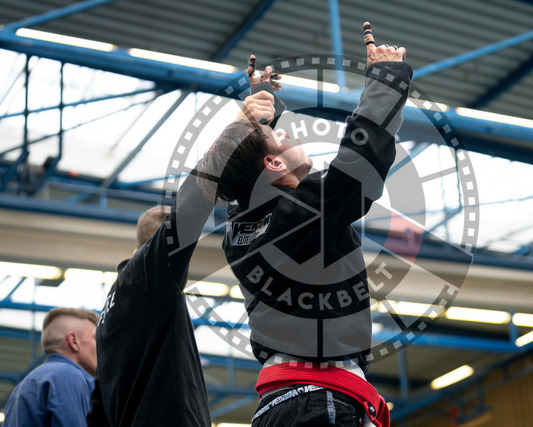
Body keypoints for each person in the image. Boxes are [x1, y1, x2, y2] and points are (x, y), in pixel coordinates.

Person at [197, 21, 411, 427]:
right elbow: (358, 167)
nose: (291, 136)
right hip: (318, 402)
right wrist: (385, 80)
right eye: (280, 137)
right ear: (273, 163)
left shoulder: (240, 232)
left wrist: (261, 118)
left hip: (285, 404)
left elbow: (247, 182)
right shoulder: (299, 218)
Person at [85, 77, 279, 426]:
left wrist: (256, 137)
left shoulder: (108, 316)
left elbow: (98, 410)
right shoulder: (145, 278)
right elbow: (188, 213)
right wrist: (236, 129)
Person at [4, 307, 99, 427]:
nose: (101, 347)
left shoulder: (21, 388)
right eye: (96, 338)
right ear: (73, 341)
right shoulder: (67, 376)